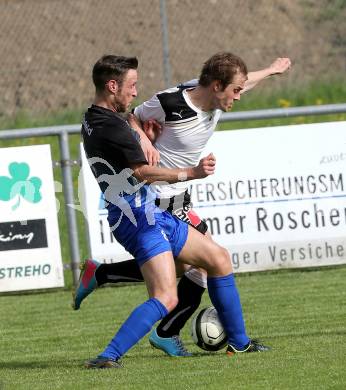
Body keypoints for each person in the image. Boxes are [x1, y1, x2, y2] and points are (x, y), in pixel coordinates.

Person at [79, 53, 280, 368]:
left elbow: (134, 138)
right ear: (113, 86)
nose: (135, 93)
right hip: (143, 216)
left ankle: (239, 345)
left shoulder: (99, 119)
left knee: (215, 260)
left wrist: (269, 70)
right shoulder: (120, 124)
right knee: (168, 293)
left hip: (152, 211)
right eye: (131, 86)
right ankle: (109, 355)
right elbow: (144, 172)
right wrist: (192, 171)